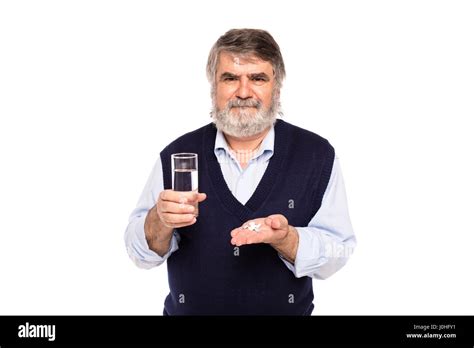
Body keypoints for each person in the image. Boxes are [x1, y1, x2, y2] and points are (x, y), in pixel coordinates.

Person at [124, 28, 356, 315]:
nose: (243, 92)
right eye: (230, 78)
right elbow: (140, 255)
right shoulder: (177, 154)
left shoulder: (316, 155)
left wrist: (286, 239)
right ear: (214, 87)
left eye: (258, 78)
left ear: (277, 88)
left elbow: (338, 252)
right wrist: (159, 220)